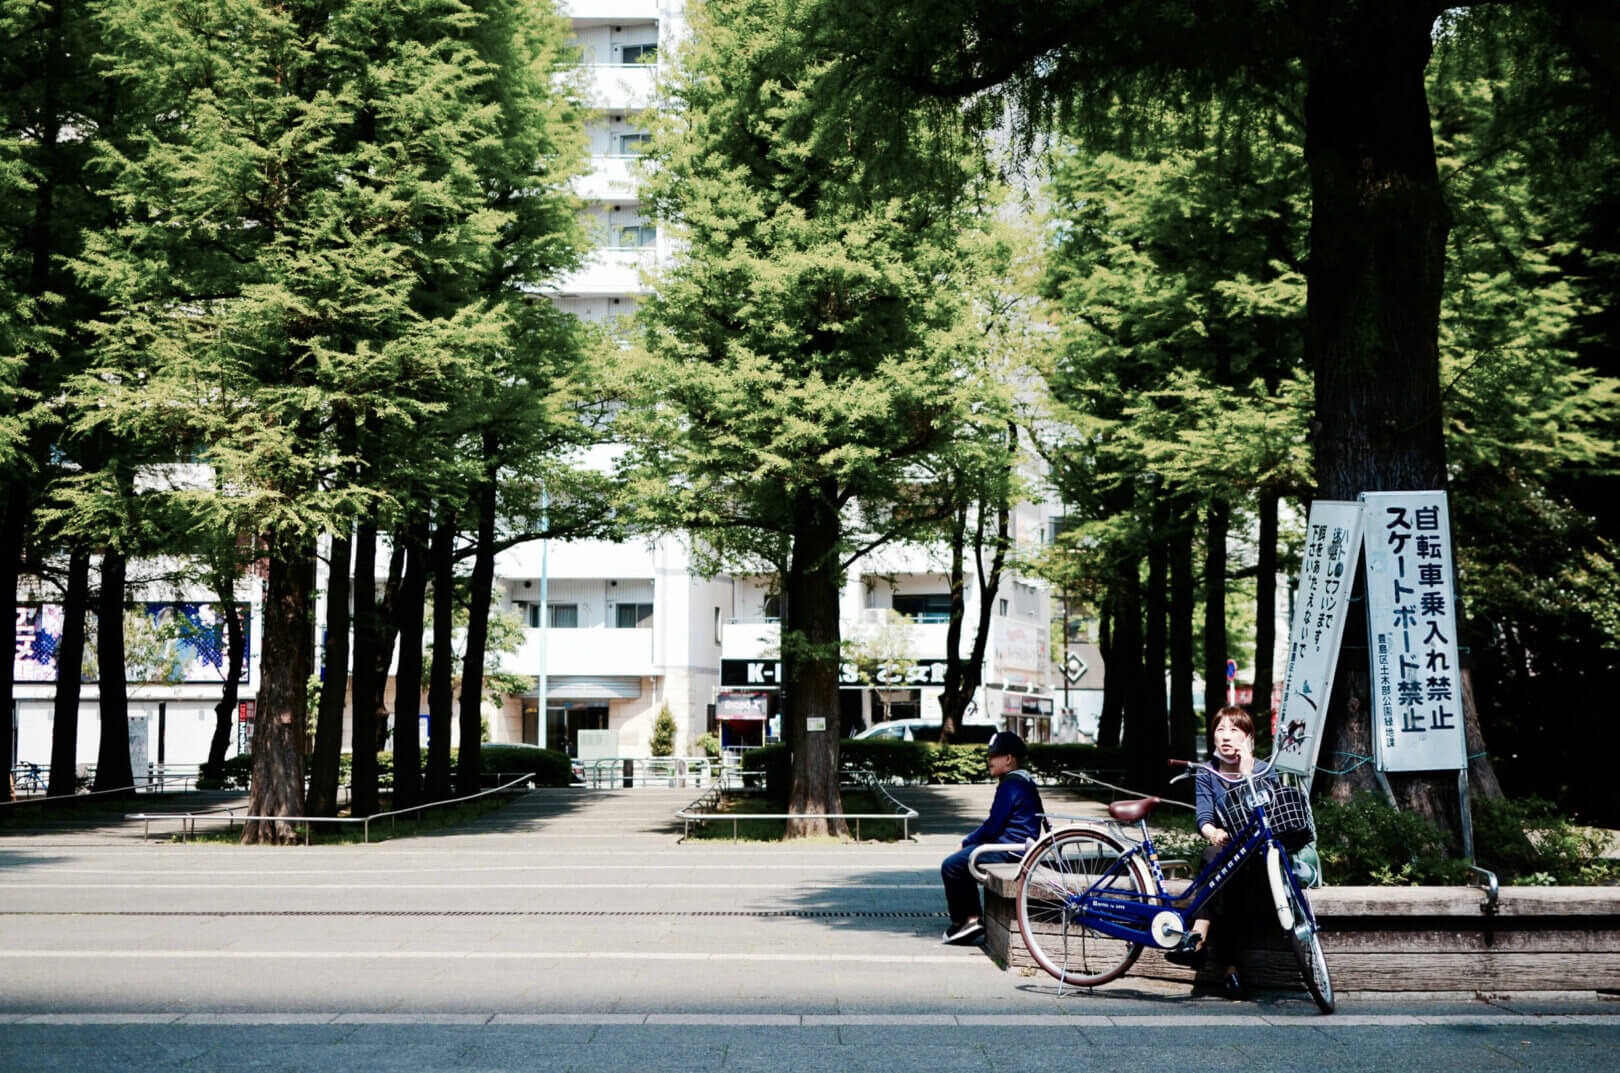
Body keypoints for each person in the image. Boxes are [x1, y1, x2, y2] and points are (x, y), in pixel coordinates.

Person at [1165, 705, 1279, 999]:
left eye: (1234, 730)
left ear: (1248, 737)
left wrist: (1246, 772)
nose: (1226, 736)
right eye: (1220, 729)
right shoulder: (1207, 773)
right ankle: (1228, 969)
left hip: (1258, 855)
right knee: (1214, 859)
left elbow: (1272, 815)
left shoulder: (1266, 770)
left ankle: (1200, 938)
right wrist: (1213, 832)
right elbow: (1204, 816)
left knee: (1228, 880)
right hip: (1226, 853)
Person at [939, 731, 1045, 945]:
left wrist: (966, 842)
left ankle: (967, 920)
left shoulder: (1010, 785)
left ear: (1008, 758)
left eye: (993, 755)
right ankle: (971, 918)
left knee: (951, 865)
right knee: (964, 860)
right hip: (1018, 846)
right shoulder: (1023, 782)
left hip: (1010, 850)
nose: (988, 760)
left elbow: (992, 826)